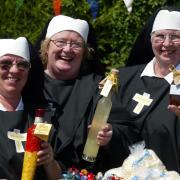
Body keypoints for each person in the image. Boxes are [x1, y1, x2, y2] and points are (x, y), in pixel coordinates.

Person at [38, 15, 114, 173]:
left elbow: (125, 130)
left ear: (85, 52)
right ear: (46, 46)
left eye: (76, 44)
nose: (67, 49)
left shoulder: (99, 88)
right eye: (60, 42)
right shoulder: (29, 84)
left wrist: (110, 137)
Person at [108, 9, 180, 173]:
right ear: (150, 39)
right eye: (160, 36)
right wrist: (109, 133)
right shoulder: (123, 79)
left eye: (175, 37)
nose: (167, 43)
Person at [0, 37, 61, 179]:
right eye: (5, 64)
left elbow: (57, 176)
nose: (14, 70)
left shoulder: (42, 117)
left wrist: (49, 161)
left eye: (22, 65)